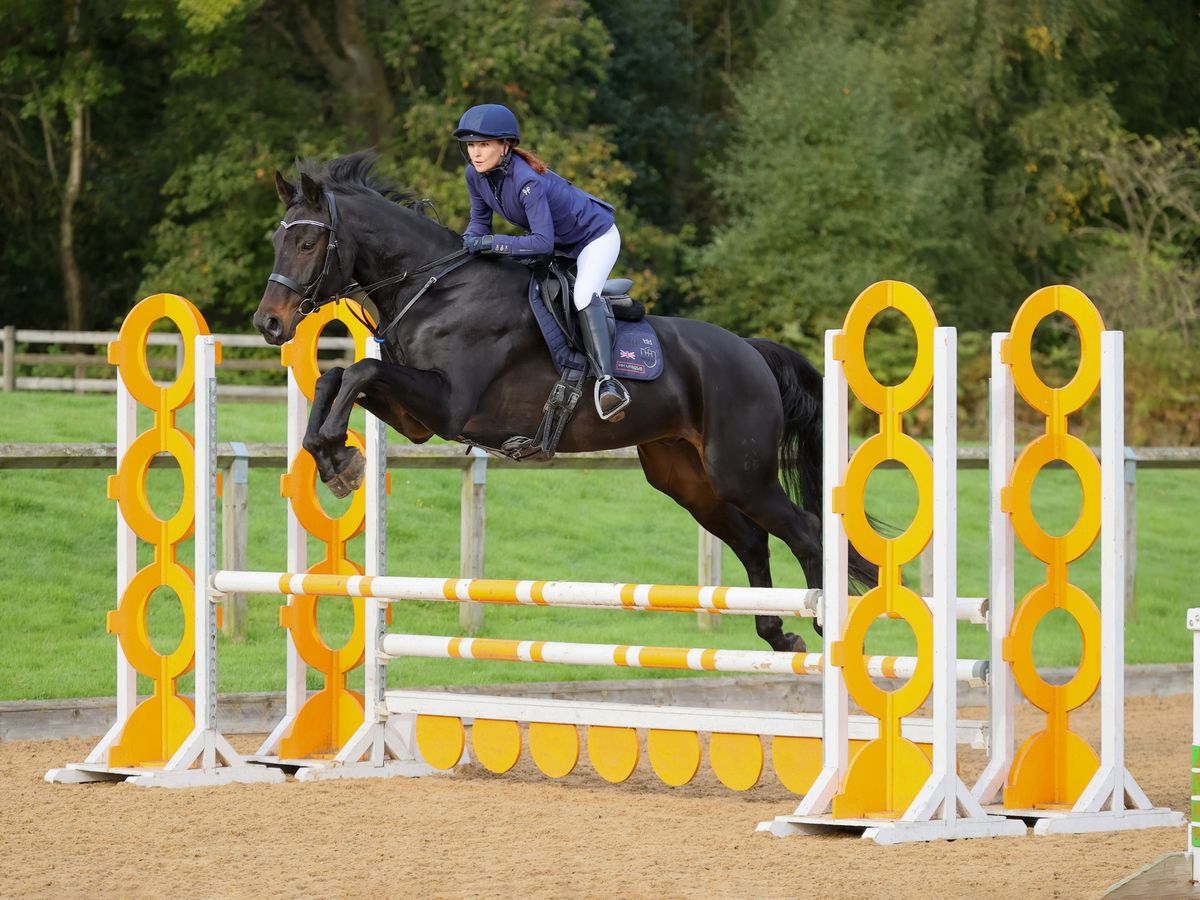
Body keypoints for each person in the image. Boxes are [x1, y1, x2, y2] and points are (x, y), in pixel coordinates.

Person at [453, 103, 630, 421]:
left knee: (582, 295)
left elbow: (540, 242)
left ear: (505, 145)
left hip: (594, 238)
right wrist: (464, 248)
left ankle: (608, 383)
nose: (475, 153)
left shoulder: (526, 181)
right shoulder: (475, 176)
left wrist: (491, 244)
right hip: (558, 245)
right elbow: (479, 225)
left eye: (483, 145)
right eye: (471, 146)